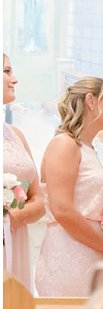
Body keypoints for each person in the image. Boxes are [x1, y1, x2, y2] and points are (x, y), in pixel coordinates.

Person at [35, 78, 103, 295]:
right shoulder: (64, 144)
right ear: (91, 101)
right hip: (70, 256)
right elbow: (62, 210)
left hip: (91, 255)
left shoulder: (89, 150)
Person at [3, 54, 47, 288]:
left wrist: (17, 216)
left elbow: (39, 199)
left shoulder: (16, 135)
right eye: (7, 71)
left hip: (16, 240)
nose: (15, 79)